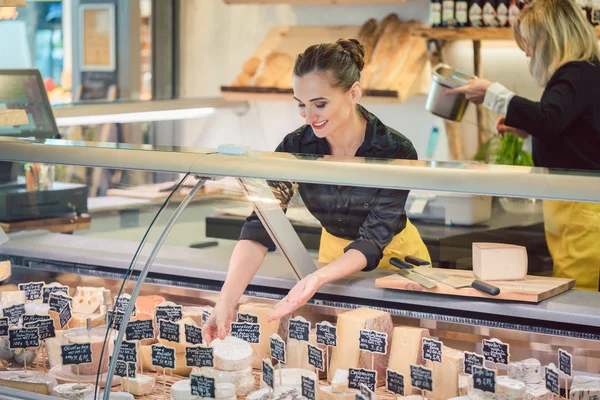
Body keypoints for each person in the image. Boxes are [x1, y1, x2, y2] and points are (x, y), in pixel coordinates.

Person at [203, 38, 430, 343]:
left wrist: (317, 278)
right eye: (301, 104)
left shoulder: (395, 149)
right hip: (329, 260)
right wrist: (226, 300)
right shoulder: (296, 147)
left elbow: (374, 239)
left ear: (354, 92)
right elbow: (262, 225)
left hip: (397, 264)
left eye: (320, 104)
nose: (309, 118)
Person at [448, 0, 600, 291]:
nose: (526, 51)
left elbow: (550, 117)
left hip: (582, 210)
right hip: (573, 209)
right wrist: (528, 132)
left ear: (551, 38)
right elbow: (574, 134)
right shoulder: (584, 73)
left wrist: (492, 93)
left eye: (529, 42)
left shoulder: (577, 73)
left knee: (580, 299)